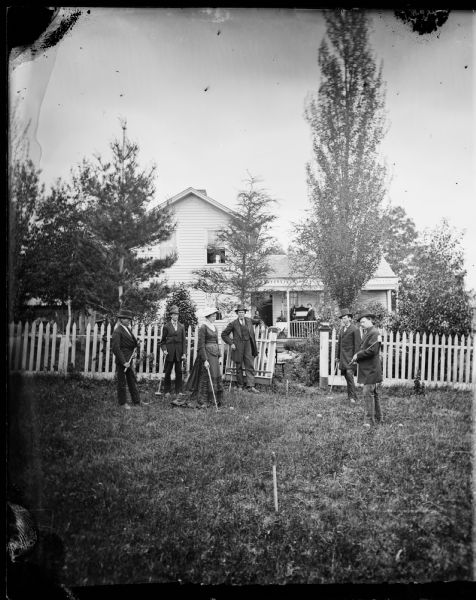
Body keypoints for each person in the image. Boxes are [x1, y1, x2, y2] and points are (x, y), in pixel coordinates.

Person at [183, 307, 224, 408]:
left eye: (215, 315)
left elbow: (216, 342)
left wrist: (219, 355)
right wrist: (205, 360)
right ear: (208, 316)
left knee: (215, 374)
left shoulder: (215, 327)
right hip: (207, 355)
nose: (215, 317)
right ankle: (204, 399)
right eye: (213, 315)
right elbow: (201, 345)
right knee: (207, 376)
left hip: (214, 355)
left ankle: (215, 399)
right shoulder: (203, 327)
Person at [351, 312, 383, 427]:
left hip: (371, 369)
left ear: (370, 320)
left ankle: (369, 421)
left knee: (367, 393)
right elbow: (365, 348)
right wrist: (357, 356)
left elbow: (372, 351)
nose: (361, 324)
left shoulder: (374, 333)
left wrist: (358, 356)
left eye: (363, 322)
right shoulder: (367, 333)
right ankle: (379, 418)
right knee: (373, 393)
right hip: (369, 368)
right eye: (360, 323)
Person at [221, 304, 259, 393]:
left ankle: (251, 386)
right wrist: (231, 343)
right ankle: (240, 386)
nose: (241, 314)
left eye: (242, 312)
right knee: (238, 366)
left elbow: (259, 321)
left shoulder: (249, 321)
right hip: (238, 347)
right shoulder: (233, 323)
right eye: (239, 312)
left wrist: (262, 327)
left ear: (245, 313)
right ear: (237, 313)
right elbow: (224, 334)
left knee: (249, 364)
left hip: (248, 345)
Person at [111, 308, 141, 409]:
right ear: (121, 319)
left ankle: (136, 401)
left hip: (129, 360)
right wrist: (124, 362)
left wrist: (137, 343)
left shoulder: (127, 328)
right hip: (122, 361)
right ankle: (122, 403)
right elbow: (116, 348)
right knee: (121, 382)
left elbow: (131, 342)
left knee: (132, 380)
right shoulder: (117, 331)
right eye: (126, 318)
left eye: (129, 319)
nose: (129, 320)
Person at [160, 305, 187, 401]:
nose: (176, 316)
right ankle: (166, 391)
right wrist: (164, 350)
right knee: (167, 372)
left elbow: (184, 341)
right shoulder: (166, 326)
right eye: (174, 315)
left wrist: (184, 353)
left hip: (179, 353)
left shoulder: (182, 326)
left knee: (179, 372)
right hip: (169, 353)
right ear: (171, 315)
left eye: (177, 315)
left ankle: (178, 391)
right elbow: (162, 341)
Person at [335, 308, 361, 404]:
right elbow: (339, 344)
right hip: (343, 358)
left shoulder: (355, 329)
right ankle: (351, 395)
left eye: (345, 318)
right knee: (346, 377)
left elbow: (358, 345)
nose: (343, 320)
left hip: (351, 358)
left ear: (350, 318)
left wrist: (355, 358)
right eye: (342, 318)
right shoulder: (342, 329)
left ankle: (352, 398)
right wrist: (337, 356)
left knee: (350, 377)